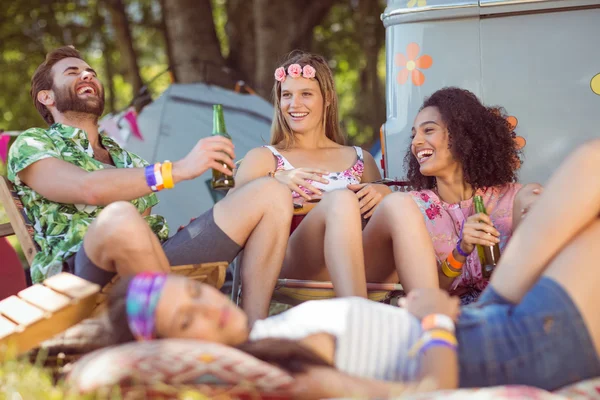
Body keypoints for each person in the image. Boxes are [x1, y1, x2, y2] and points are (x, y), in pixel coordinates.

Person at [105, 138, 600, 398]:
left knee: (588, 164)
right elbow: (430, 395)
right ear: (176, 352)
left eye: (194, 296)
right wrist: (433, 320)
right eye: (186, 323)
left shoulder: (271, 341)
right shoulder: (288, 379)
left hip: (485, 315)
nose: (208, 309)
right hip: (506, 348)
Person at [7, 45, 293, 324]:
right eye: (73, 72)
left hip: (153, 259)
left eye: (91, 72)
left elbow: (145, 224)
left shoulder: (126, 157)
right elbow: (88, 188)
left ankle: (255, 330)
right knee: (120, 217)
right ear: (47, 97)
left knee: (271, 193)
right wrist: (177, 170)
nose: (87, 76)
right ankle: (177, 337)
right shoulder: (33, 143)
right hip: (83, 270)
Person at [234, 51, 439, 297]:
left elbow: (378, 220)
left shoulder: (361, 158)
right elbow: (231, 220)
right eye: (286, 95)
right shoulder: (264, 157)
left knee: (400, 203)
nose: (294, 104)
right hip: (292, 264)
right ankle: (356, 315)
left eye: (306, 94)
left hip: (358, 262)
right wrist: (272, 183)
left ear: (328, 98)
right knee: (341, 200)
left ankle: (430, 317)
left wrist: (384, 194)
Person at [368, 87, 542, 304]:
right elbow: (430, 290)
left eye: (428, 130)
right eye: (414, 135)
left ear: (462, 134)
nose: (415, 142)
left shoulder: (514, 198)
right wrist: (460, 251)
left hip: (507, 312)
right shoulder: (413, 208)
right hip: (443, 320)